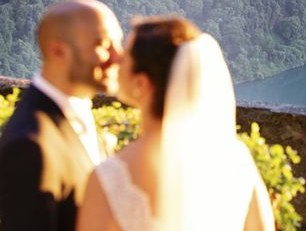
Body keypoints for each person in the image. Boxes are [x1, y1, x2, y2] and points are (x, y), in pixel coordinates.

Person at [77, 16, 274, 231]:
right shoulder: (236, 159)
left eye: (124, 58)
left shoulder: (110, 180)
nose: (115, 61)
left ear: (141, 83)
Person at [0, 0, 124, 231]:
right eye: (103, 45)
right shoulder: (29, 145)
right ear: (58, 51)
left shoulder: (76, 113)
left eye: (118, 43)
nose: (118, 56)